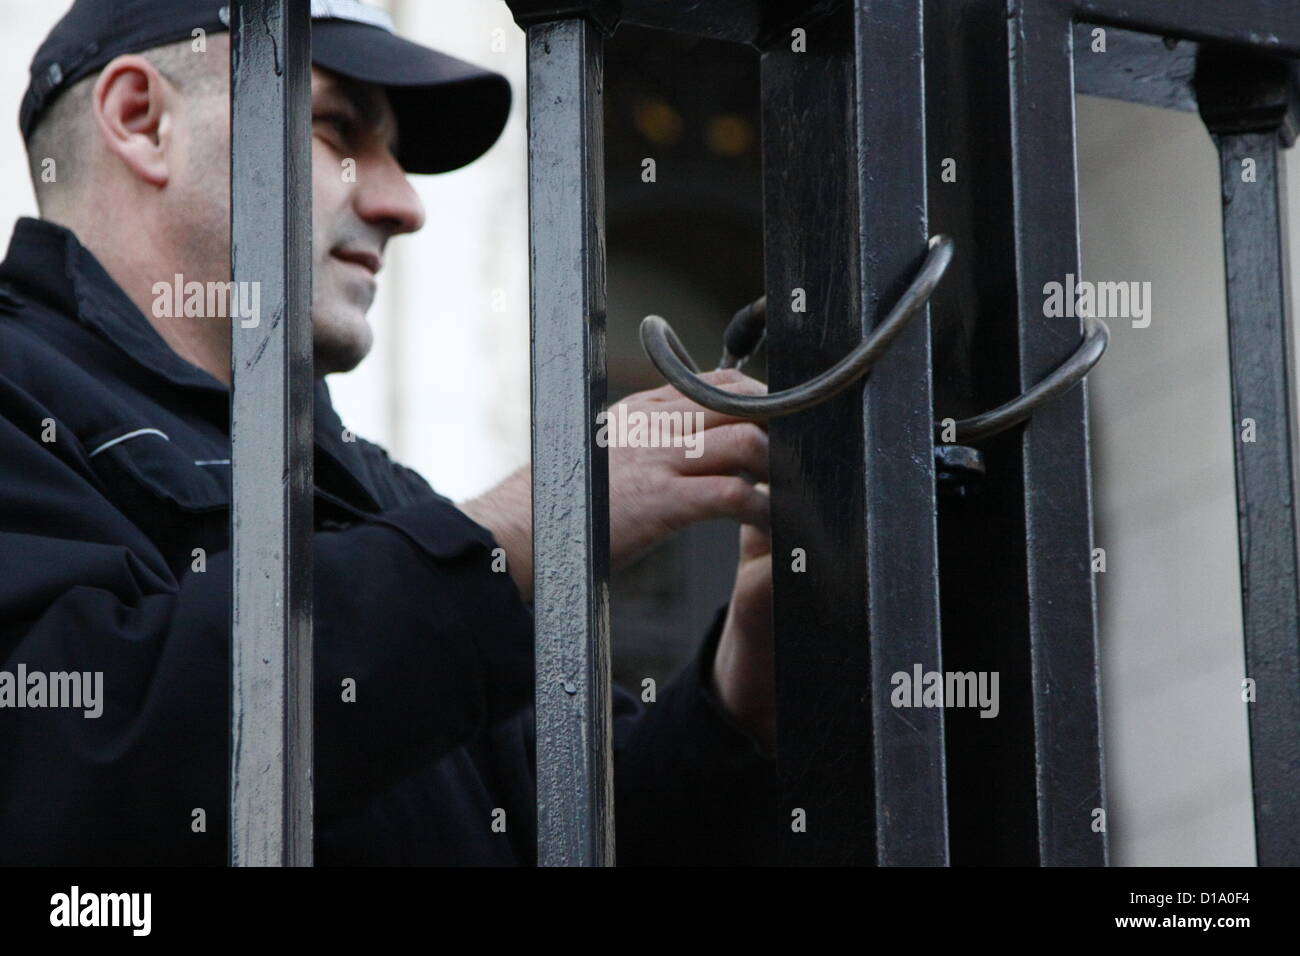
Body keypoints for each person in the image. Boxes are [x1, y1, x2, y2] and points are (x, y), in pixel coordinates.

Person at [0, 0, 777, 865]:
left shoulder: (378, 489)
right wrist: (525, 529)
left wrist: (738, 695)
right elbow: (68, 765)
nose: (403, 202)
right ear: (143, 121)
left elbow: (568, 826)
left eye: (397, 154)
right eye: (340, 129)